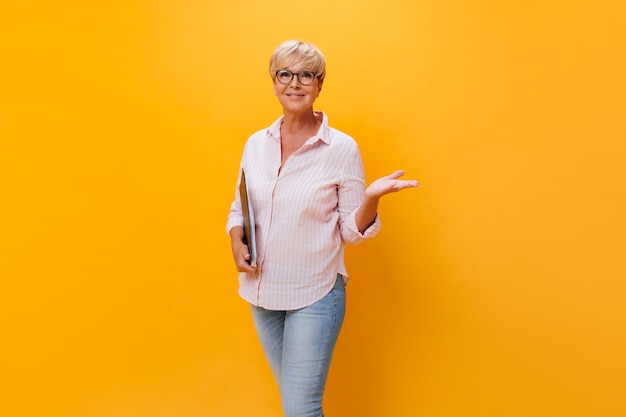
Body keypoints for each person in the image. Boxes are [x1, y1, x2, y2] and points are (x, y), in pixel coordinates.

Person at [226, 40, 419, 417]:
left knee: (301, 408)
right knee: (293, 401)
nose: (294, 83)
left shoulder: (340, 148)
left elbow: (350, 231)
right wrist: (236, 238)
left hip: (315, 293)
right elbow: (240, 206)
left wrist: (371, 198)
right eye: (285, 73)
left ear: (319, 85)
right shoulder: (256, 144)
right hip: (261, 292)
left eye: (306, 75)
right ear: (274, 81)